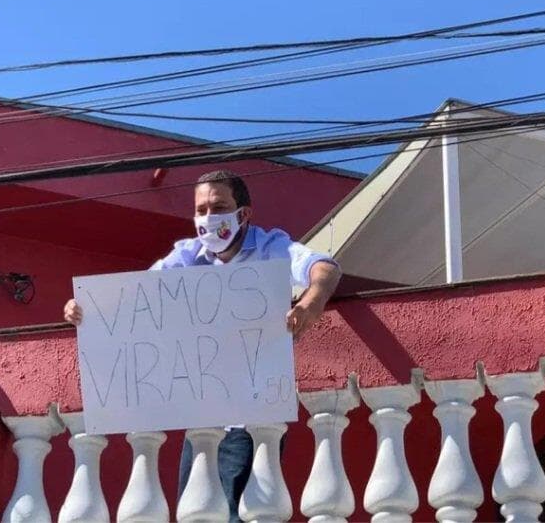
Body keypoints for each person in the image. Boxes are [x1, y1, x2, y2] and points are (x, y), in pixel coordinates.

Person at [63, 169, 341, 521]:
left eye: (218, 207)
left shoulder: (271, 247)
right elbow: (137, 294)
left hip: (252, 417)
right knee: (196, 513)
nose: (208, 218)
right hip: (202, 420)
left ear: (244, 214)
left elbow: (325, 268)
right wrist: (86, 307)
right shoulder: (187, 255)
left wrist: (309, 304)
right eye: (201, 210)